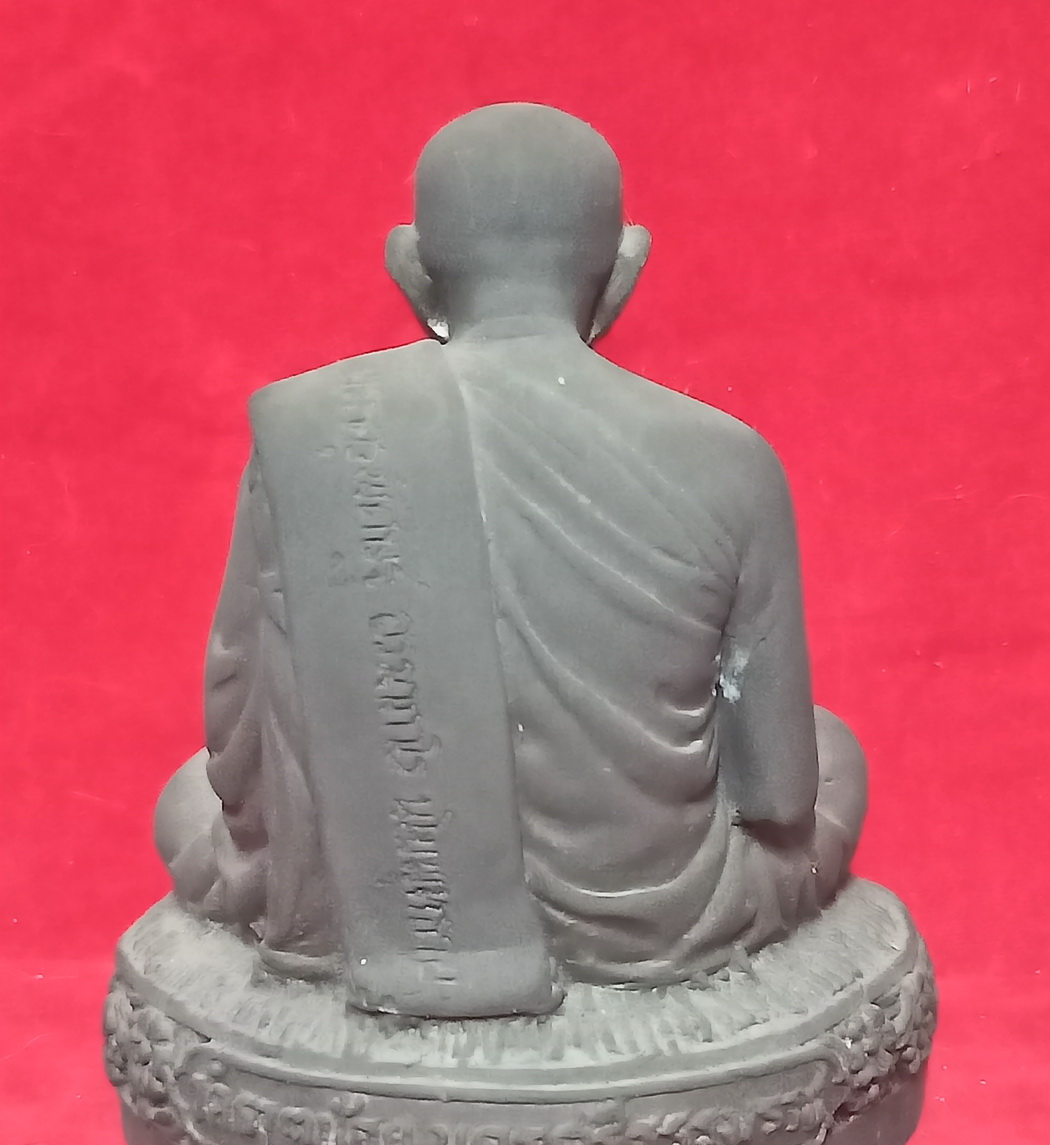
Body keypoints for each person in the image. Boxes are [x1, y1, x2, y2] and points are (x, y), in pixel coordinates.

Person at [156, 103, 867, 1004]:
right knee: (837, 752)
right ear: (625, 271)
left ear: (411, 270)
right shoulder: (732, 460)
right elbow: (779, 795)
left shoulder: (312, 438)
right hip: (666, 915)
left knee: (184, 798)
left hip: (382, 904)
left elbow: (235, 736)